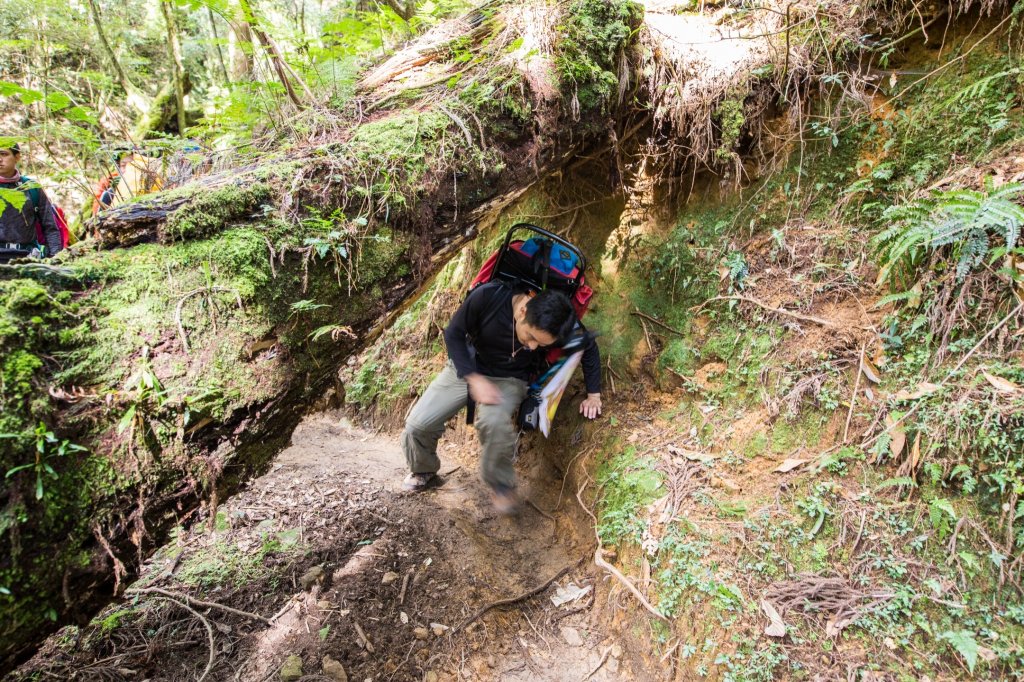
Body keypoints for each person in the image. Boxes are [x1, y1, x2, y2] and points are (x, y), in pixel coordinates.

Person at [401, 280, 603, 514]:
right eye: (531, 337)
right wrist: (473, 378)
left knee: (493, 422)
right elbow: (454, 334)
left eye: (541, 343)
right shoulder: (489, 297)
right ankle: (423, 468)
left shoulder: (559, 325)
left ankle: (501, 485)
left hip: (510, 379)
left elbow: (588, 346)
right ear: (522, 310)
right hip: (469, 365)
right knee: (417, 426)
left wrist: (593, 395)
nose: (534, 346)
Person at [0, 143, 63, 261]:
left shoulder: (31, 188)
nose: (0, 159)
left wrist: (56, 258)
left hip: (27, 257)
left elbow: (50, 226)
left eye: (4, 154)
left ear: (17, 157)